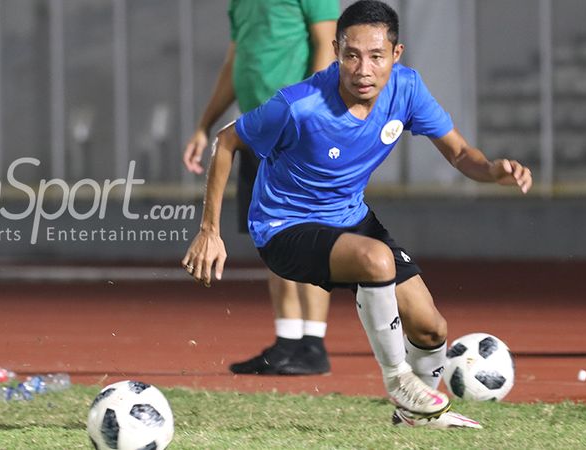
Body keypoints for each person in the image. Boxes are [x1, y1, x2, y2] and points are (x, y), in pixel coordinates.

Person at [182, 0, 532, 428]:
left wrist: (493, 169)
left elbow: (460, 154)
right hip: (284, 227)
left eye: (376, 56)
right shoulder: (300, 104)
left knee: (432, 330)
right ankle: (398, 379)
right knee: (375, 259)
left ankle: (414, 419)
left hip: (349, 218)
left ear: (396, 55)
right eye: (351, 55)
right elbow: (226, 141)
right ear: (335, 52)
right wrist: (209, 231)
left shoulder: (407, 89)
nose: (363, 69)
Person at [182, 0, 340, 375]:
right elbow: (235, 62)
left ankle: (313, 346)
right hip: (257, 131)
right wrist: (205, 125)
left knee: (309, 235)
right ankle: (287, 343)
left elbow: (326, 45)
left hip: (296, 132)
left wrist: (305, 115)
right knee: (271, 236)